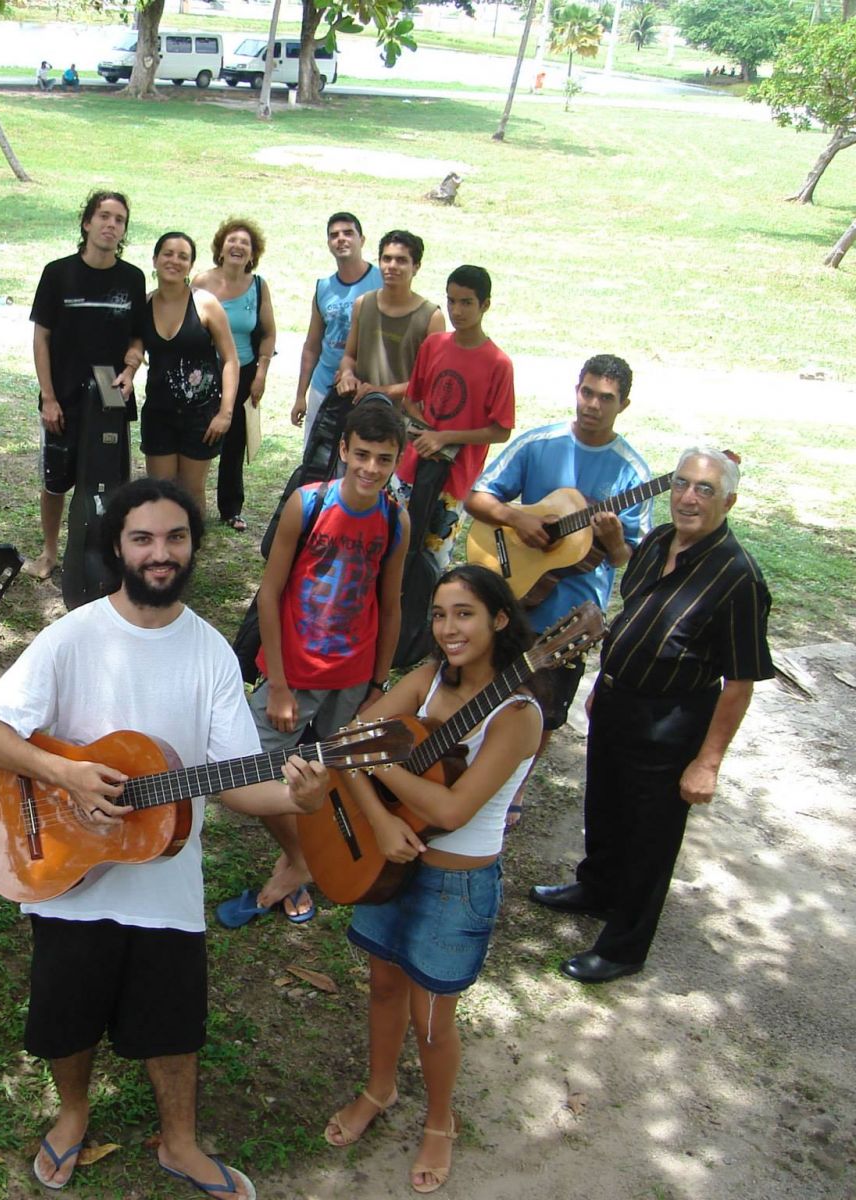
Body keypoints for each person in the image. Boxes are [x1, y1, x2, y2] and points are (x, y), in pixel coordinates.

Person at [0, 477, 329, 1199]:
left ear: (192, 547)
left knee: (173, 1022)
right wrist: (61, 774)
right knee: (66, 1012)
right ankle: (72, 1116)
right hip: (64, 872)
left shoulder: (211, 653)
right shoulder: (73, 637)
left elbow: (229, 779)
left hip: (164, 881)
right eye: (144, 538)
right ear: (119, 548)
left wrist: (296, 794)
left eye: (175, 538)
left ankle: (181, 1143)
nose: (161, 553)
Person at [325, 564, 543, 1195]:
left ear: (500, 620)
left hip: (457, 886)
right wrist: (379, 822)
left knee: (432, 1020)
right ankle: (380, 1088)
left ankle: (440, 1122)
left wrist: (382, 763)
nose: (449, 628)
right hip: (391, 868)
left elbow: (450, 811)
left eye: (465, 613)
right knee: (384, 989)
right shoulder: (425, 683)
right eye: (441, 614)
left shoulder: (517, 715)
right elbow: (344, 740)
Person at [531, 447, 773, 983]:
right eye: (682, 484)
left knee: (651, 836)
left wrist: (707, 762)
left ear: (729, 501)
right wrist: (606, 682)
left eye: (705, 489)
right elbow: (636, 603)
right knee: (606, 803)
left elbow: (740, 681)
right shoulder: (662, 540)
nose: (689, 497)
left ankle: (623, 947)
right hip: (619, 700)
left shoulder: (737, 578)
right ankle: (596, 887)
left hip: (671, 720)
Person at [216, 401, 410, 927]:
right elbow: (272, 593)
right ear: (343, 449)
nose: (371, 469)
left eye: (384, 459)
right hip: (295, 675)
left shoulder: (396, 518)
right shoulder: (309, 504)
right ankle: (302, 859)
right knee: (245, 765)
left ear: (397, 461)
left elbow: (390, 606)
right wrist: (278, 684)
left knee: (333, 776)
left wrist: (377, 684)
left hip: (353, 677)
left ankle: (312, 863)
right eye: (362, 454)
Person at [465, 354, 650, 820]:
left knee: (547, 705)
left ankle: (515, 791)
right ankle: (469, 768)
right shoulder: (539, 443)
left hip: (570, 612)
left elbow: (634, 562)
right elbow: (477, 497)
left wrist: (612, 543)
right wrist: (516, 518)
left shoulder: (632, 473)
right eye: (586, 392)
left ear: (623, 405)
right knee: (478, 685)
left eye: (605, 398)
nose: (592, 405)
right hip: (508, 593)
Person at [28, 189, 147, 580]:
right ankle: (49, 553)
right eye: (104, 216)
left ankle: (101, 556)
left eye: (119, 220)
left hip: (110, 395)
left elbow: (137, 338)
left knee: (107, 482)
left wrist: (129, 373)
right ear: (87, 223)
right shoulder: (58, 273)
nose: (111, 225)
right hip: (63, 393)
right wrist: (48, 396)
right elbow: (41, 337)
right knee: (56, 480)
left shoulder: (132, 278)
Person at [393, 264, 516, 566]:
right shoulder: (434, 345)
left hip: (454, 477)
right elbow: (411, 399)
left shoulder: (498, 363)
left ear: (485, 305)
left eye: (466, 302)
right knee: (392, 544)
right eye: (451, 301)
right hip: (411, 466)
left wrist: (446, 438)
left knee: (431, 556)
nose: (456, 311)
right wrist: (424, 434)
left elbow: (501, 429)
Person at [140, 232, 239, 516]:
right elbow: (133, 350)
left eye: (183, 256)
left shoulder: (205, 304)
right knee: (160, 491)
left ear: (191, 265)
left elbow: (230, 359)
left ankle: (190, 548)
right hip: (159, 412)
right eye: (168, 254)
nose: (174, 261)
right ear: (155, 260)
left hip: (201, 416)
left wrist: (225, 413)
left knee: (191, 490)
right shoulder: (145, 304)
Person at [193, 216, 277, 533]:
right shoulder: (201, 281)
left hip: (244, 372)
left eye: (245, 243)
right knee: (198, 436)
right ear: (221, 247)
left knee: (234, 442)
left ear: (253, 254)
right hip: (203, 375)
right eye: (232, 240)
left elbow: (268, 333)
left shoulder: (258, 286)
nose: (238, 246)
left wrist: (261, 373)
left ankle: (230, 508)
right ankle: (189, 498)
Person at [290, 212, 382, 452]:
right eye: (334, 235)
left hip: (365, 387)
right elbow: (312, 346)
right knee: (317, 456)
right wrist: (301, 394)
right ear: (329, 244)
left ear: (362, 240)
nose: (341, 239)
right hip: (324, 385)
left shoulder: (382, 280)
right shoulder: (323, 287)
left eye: (348, 233)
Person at [335, 230, 445, 412]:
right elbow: (349, 356)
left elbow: (432, 380)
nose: (392, 266)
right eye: (386, 259)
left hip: (405, 422)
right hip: (362, 415)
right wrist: (347, 374)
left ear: (416, 266)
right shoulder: (363, 304)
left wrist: (383, 391)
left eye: (401, 260)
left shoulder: (431, 317)